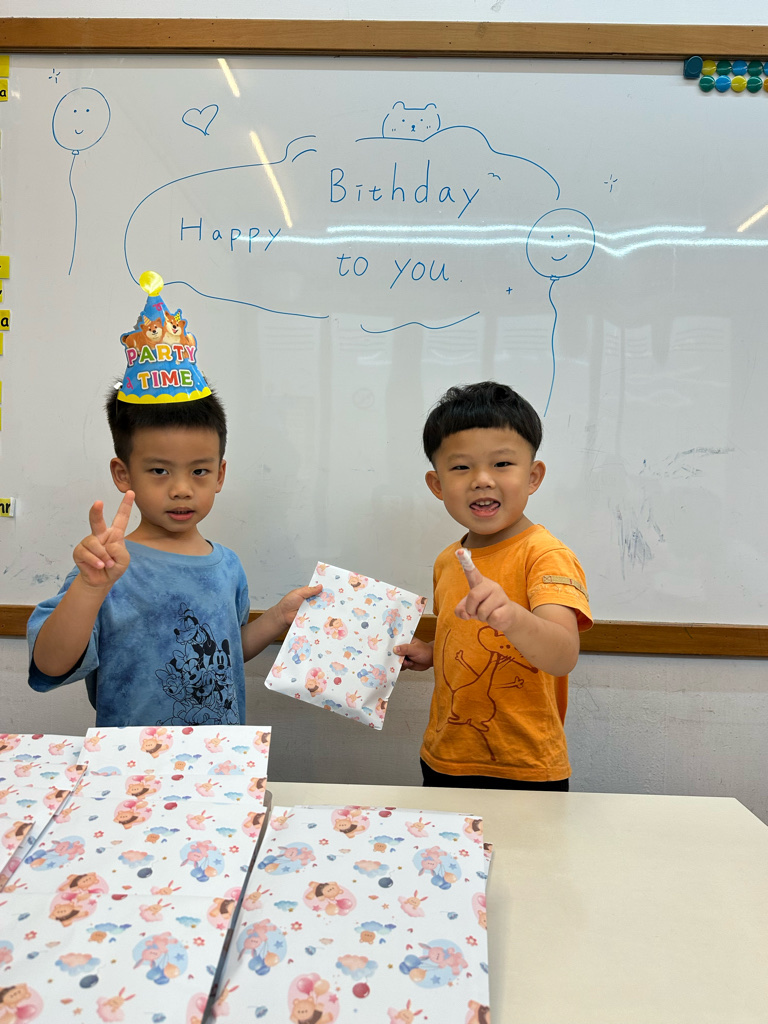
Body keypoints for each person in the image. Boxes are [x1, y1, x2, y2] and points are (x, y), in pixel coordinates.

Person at [27, 271, 319, 727]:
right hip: (130, 760)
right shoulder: (107, 567)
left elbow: (222, 656)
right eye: (160, 471)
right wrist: (90, 588)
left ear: (220, 475)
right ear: (123, 474)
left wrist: (278, 617)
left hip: (218, 757)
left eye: (199, 471)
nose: (182, 488)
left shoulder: (227, 566)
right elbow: (50, 665)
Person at [394, 381, 592, 790]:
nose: (482, 480)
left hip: (525, 766)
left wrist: (511, 617)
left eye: (502, 464)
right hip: (445, 757)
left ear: (533, 476)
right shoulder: (449, 560)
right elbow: (465, 636)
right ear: (437, 485)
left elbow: (563, 655)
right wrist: (431, 652)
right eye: (461, 467)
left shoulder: (545, 555)